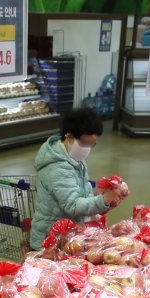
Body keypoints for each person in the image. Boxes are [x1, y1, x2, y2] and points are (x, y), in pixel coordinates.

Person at [29, 106, 123, 251]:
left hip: (68, 234)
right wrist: (104, 199)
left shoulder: (73, 158)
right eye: (85, 143)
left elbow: (79, 194)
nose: (88, 149)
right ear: (69, 137)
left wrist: (102, 197)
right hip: (50, 241)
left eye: (92, 144)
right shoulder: (56, 167)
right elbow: (73, 205)